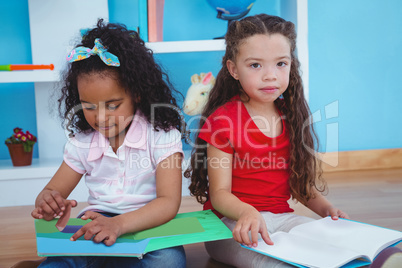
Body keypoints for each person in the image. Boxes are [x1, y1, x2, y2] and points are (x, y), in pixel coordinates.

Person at [185, 14, 349, 267]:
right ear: (233, 69)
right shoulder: (222, 121)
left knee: (335, 247)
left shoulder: (292, 115)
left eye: (281, 64)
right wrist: (246, 212)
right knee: (275, 263)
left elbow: (300, 184)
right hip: (231, 222)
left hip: (283, 219)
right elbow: (219, 194)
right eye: (255, 65)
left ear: (291, 65)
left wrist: (328, 210)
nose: (270, 76)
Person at [31, 19, 187, 267]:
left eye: (112, 105)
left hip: (149, 223)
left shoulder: (162, 134)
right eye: (89, 106)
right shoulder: (82, 141)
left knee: (168, 261)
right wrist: (48, 202)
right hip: (98, 221)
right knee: (62, 260)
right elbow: (53, 191)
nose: (100, 117)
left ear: (136, 93)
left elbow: (168, 202)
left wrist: (120, 224)